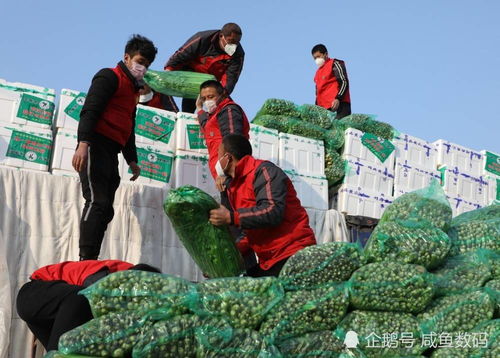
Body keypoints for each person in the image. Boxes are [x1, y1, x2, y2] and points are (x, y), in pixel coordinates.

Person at [72, 34, 158, 261]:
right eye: (140, 61)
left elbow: (129, 125)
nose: (142, 68)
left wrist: (132, 159)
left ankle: (93, 256)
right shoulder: (109, 77)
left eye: (147, 65)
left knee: (107, 209)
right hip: (94, 144)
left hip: (112, 151)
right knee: (96, 202)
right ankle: (85, 258)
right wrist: (83, 144)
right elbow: (90, 110)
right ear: (127, 57)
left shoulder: (133, 92)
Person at [209, 135, 317, 277]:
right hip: (268, 260)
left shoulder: (264, 171)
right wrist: (227, 255)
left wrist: (231, 217)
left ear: (228, 158)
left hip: (293, 253)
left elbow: (272, 211)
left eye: (218, 154)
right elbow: (250, 230)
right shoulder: (233, 187)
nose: (216, 160)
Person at [16, 260, 160, 351]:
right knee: (82, 298)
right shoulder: (112, 276)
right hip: (35, 294)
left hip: (56, 313)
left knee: (71, 352)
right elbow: (91, 304)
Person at [165, 23, 244, 113]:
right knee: (188, 103)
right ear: (221, 36)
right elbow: (181, 55)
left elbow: (230, 79)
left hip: (211, 83)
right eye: (231, 41)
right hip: (191, 74)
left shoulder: (238, 54)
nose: (234, 46)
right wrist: (168, 73)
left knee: (227, 107)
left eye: (237, 42)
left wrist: (220, 97)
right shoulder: (202, 39)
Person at [195, 80, 249, 181]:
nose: (207, 101)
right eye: (204, 98)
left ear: (222, 94)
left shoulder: (229, 110)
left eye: (211, 97)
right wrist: (199, 108)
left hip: (231, 173)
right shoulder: (214, 115)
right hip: (221, 172)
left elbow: (234, 142)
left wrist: (224, 172)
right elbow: (206, 126)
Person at [311, 44, 351, 119]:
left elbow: (344, 82)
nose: (317, 60)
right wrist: (316, 110)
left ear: (326, 54)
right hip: (324, 110)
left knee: (340, 128)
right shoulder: (317, 74)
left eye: (318, 56)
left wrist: (338, 98)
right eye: (315, 58)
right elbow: (318, 94)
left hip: (338, 105)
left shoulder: (334, 63)